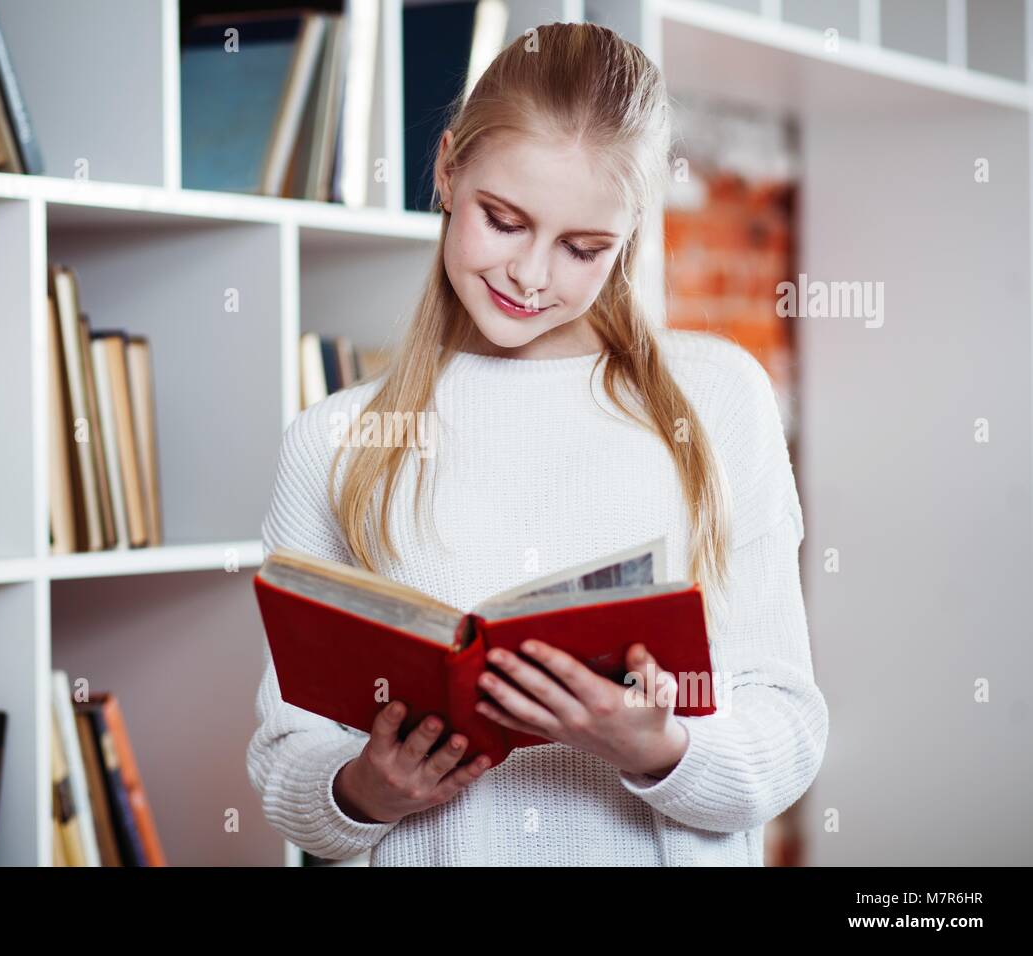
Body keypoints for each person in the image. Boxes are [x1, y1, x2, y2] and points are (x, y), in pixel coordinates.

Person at [246, 22, 827, 866]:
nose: (530, 276)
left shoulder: (716, 399)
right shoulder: (334, 442)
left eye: (583, 247)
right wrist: (366, 790)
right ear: (447, 169)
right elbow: (286, 762)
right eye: (504, 220)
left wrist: (658, 752)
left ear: (630, 233)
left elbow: (790, 726)